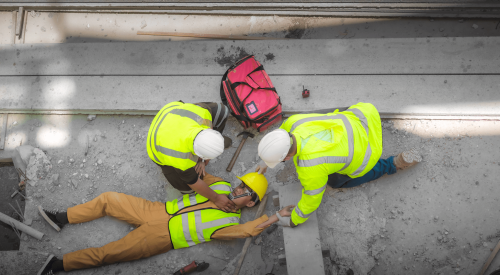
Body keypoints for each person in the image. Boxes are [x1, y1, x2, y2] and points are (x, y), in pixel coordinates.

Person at [36, 172, 294, 275]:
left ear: (250, 204)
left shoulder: (230, 222)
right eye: (241, 184)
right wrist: (200, 164)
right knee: (109, 199)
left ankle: (58, 265)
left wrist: (275, 216)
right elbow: (199, 174)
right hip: (157, 211)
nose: (239, 190)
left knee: (109, 253)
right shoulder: (223, 185)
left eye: (246, 192)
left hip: (161, 239)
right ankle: (60, 218)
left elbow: (249, 230)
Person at [256, 102, 422, 227]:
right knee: (332, 115)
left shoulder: (309, 166)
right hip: (365, 117)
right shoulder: (293, 122)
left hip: (369, 150)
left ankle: (392, 164)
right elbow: (280, 138)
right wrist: (266, 160)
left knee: (334, 181)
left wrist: (295, 219)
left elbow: (312, 198)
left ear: (287, 156)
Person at [147, 101, 236, 212]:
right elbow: (193, 182)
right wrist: (216, 198)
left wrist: (203, 161)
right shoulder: (181, 159)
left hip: (171, 113)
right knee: (187, 189)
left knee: (221, 110)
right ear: (196, 154)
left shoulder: (204, 115)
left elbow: (210, 127)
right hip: (157, 145)